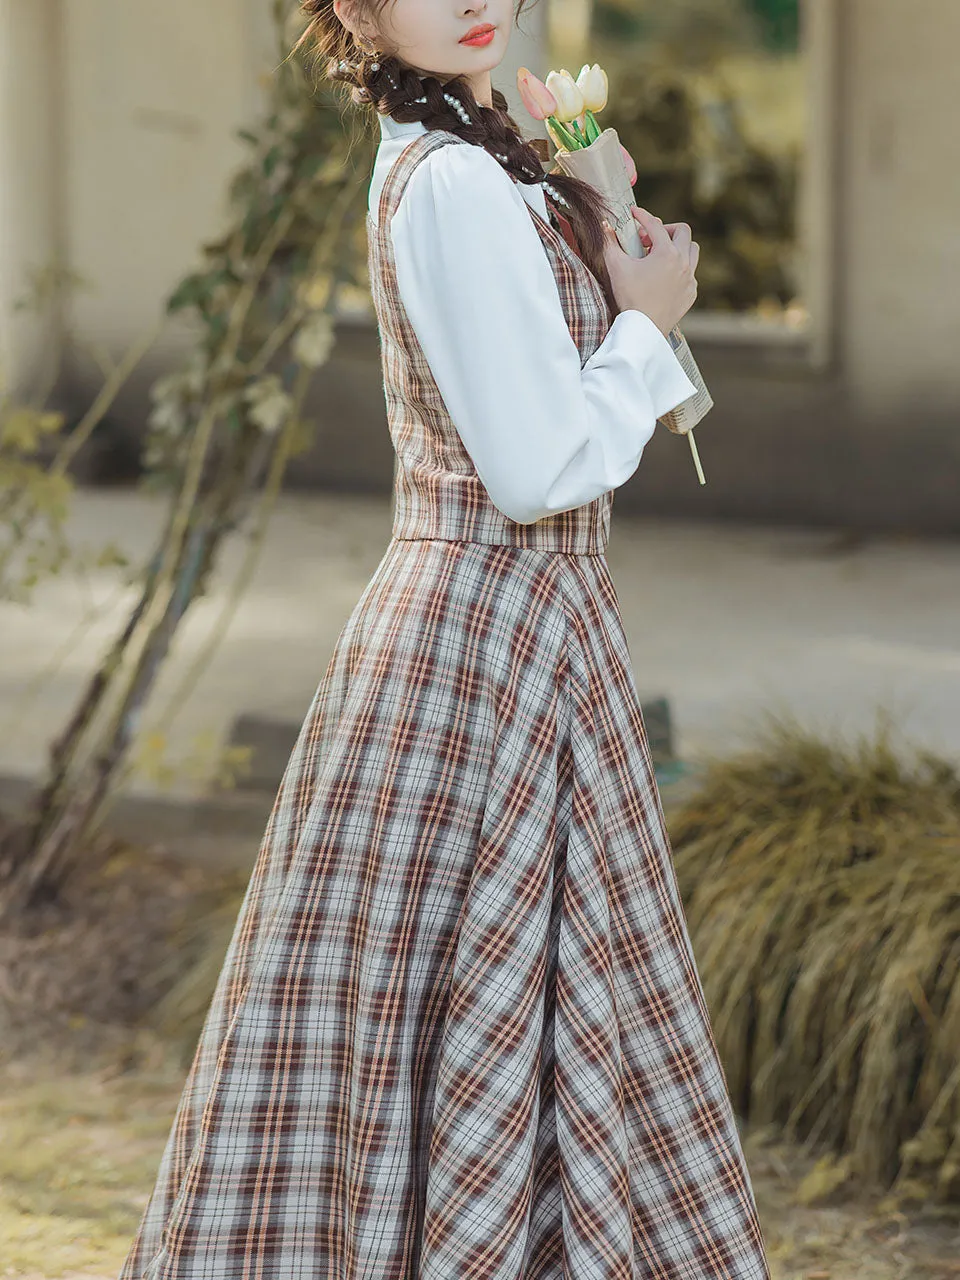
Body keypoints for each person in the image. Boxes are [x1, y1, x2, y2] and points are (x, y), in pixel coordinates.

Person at [119, 1, 771, 1277]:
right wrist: (641, 315)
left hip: (507, 628)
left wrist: (607, 229)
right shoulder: (455, 183)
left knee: (458, 1006)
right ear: (355, 10)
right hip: (489, 634)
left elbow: (620, 417)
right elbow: (539, 472)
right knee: (489, 998)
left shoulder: (472, 155)